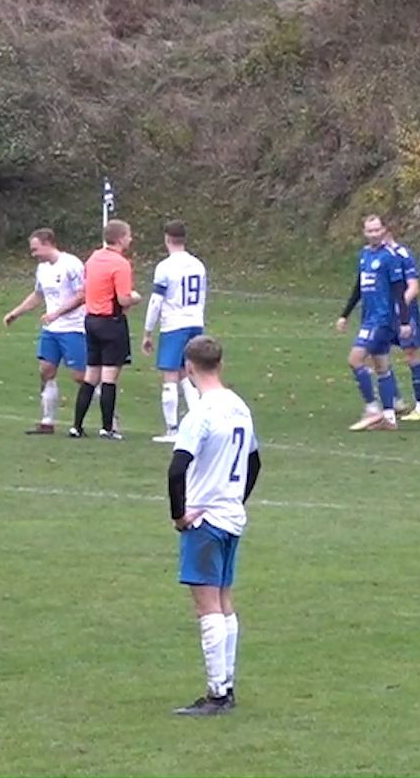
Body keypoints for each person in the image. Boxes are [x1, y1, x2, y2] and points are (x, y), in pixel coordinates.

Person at [167, 334, 260, 717]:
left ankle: (217, 694)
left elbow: (177, 468)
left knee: (207, 607)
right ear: (219, 364)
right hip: (231, 517)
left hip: (204, 519)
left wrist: (179, 514)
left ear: (189, 368)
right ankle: (228, 685)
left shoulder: (201, 414)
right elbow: (254, 463)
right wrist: (237, 499)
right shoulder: (240, 407)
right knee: (224, 602)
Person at [46, 219, 142, 439]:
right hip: (111, 322)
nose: (130, 239)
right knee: (109, 377)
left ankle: (76, 426)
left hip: (91, 321)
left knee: (91, 375)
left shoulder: (93, 258)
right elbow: (123, 298)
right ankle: (107, 428)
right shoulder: (120, 264)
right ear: (120, 238)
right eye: (128, 235)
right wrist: (135, 298)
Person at [2, 228, 88, 435]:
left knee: (81, 377)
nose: (34, 254)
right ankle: (47, 421)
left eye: (35, 249)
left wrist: (57, 313)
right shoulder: (42, 269)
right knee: (46, 371)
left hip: (74, 328)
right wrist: (16, 312)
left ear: (48, 243)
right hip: (51, 330)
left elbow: (82, 295)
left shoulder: (71, 264)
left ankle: (110, 416)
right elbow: (38, 294)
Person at [336, 215, 408, 432]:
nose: (374, 234)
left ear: (384, 230)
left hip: (382, 319)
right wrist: (345, 314)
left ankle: (372, 408)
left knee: (355, 360)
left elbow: (399, 291)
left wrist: (404, 321)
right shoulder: (364, 255)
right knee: (382, 367)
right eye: (370, 231)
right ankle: (389, 418)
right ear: (364, 233)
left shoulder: (390, 257)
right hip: (369, 318)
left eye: (377, 230)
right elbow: (359, 287)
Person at [143, 220, 209, 444]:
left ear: (166, 238)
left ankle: (172, 429)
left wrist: (148, 331)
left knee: (170, 375)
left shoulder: (165, 267)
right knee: (188, 374)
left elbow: (155, 302)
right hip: (195, 322)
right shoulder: (198, 265)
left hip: (174, 324)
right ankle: (198, 422)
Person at [383, 225, 420, 422]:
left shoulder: (403, 255)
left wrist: (399, 308)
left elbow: (413, 287)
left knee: (410, 355)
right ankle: (395, 400)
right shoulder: (375, 256)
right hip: (383, 313)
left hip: (405, 313)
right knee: (376, 352)